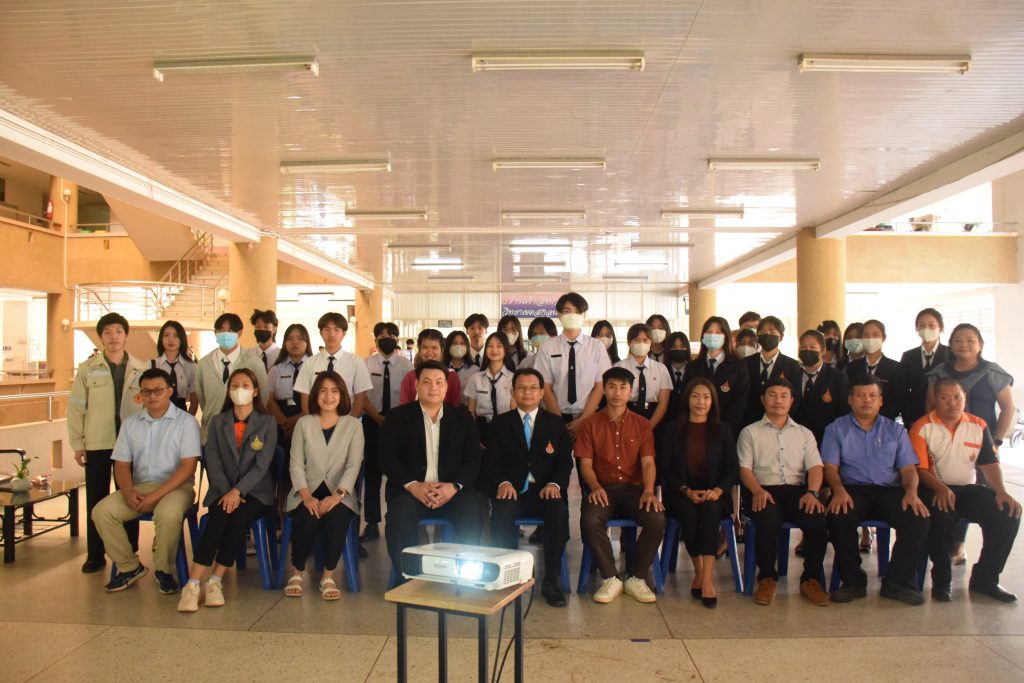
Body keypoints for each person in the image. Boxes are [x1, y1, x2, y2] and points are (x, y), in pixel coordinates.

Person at [822, 375, 930, 605]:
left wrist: (911, 492)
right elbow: (830, 467)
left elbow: (908, 468)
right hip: (852, 490)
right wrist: (838, 490)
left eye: (872, 396)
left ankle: (897, 583)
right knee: (838, 516)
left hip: (889, 491)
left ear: (881, 400)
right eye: (860, 396)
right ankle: (853, 582)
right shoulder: (836, 429)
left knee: (917, 518)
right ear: (850, 399)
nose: (867, 401)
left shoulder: (896, 430)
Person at [911, 377, 1020, 602]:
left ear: (965, 398)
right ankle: (942, 581)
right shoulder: (922, 427)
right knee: (942, 515)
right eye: (944, 398)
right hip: (933, 489)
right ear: (935, 400)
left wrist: (1001, 491)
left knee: (1007, 512)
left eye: (957, 397)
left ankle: (985, 579)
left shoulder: (978, 425)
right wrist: (940, 488)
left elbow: (989, 464)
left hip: (967, 490)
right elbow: (919, 469)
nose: (952, 403)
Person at [92, 368, 200, 594]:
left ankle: (164, 570)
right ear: (140, 394)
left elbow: (188, 466)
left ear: (170, 391)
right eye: (146, 391)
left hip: (177, 487)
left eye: (158, 390)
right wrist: (128, 491)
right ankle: (130, 567)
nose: (152, 396)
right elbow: (121, 465)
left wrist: (156, 496)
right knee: (102, 511)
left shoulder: (186, 422)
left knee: (167, 513)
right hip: (141, 487)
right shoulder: (131, 423)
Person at [178, 368, 276, 612]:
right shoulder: (217, 421)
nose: (240, 390)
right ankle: (192, 584)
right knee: (220, 515)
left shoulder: (267, 422)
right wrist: (227, 491)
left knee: (238, 516)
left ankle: (215, 580)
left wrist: (238, 491)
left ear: (255, 392)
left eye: (245, 385)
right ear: (229, 391)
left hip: (255, 492)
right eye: (234, 386)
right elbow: (212, 461)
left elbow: (262, 465)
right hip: (222, 490)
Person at [380, 360, 482, 578]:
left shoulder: (462, 417)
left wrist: (453, 487)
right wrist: (413, 486)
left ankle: (464, 576)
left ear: (446, 387)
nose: (433, 387)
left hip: (451, 493)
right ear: (416, 385)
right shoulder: (397, 417)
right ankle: (407, 577)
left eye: (439, 382)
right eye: (426, 382)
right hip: (410, 493)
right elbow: (387, 458)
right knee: (398, 517)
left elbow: (473, 459)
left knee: (472, 512)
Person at [926, 323, 1015, 564]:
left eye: (970, 340)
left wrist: (996, 440)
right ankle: (953, 545)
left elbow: (1008, 408)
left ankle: (978, 553)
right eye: (958, 340)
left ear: (980, 344)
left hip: (982, 445)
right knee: (952, 494)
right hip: (947, 445)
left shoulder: (992, 372)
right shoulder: (940, 372)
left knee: (987, 498)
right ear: (950, 345)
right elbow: (930, 408)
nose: (963, 344)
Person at [485, 368, 573, 607]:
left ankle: (551, 581)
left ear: (542, 393)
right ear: (513, 392)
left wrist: (554, 484)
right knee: (501, 513)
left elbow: (565, 462)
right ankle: (505, 578)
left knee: (557, 511)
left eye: (533, 388)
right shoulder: (500, 423)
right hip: (512, 490)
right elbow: (491, 461)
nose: (527, 392)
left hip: (544, 490)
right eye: (521, 388)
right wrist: (503, 482)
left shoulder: (556, 424)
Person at [576, 367, 665, 604]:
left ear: (631, 391)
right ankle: (610, 578)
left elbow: (648, 462)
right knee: (590, 519)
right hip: (602, 489)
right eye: (612, 387)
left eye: (623, 387)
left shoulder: (642, 424)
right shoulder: (590, 424)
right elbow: (585, 464)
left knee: (657, 519)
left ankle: (637, 577)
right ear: (604, 390)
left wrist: (649, 491)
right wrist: (595, 487)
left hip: (634, 490)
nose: (617, 393)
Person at [738, 378, 830, 606]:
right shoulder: (750, 432)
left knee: (817, 519)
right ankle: (767, 577)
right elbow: (744, 469)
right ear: (763, 399)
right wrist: (757, 490)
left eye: (783, 396)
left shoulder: (804, 433)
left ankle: (810, 579)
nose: (778, 400)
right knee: (768, 519)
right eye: (772, 395)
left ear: (791, 401)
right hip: (763, 490)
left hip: (798, 492)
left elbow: (815, 467)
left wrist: (812, 492)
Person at [68, 312, 147, 574]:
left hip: (130, 444)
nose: (114, 337)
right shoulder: (87, 368)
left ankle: (130, 551)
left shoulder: (140, 368)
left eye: (118, 332)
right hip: (98, 442)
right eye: (108, 332)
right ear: (101, 337)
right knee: (96, 499)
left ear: (126, 336)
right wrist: (77, 443)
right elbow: (76, 408)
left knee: (130, 496)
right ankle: (95, 554)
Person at [282, 371, 364, 600]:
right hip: (305, 490)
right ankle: (297, 572)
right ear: (315, 395)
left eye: (334, 391)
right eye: (323, 391)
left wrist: (337, 495)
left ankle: (328, 576)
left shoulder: (353, 425)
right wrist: (306, 496)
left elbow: (353, 465)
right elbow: (296, 464)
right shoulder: (304, 423)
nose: (329, 396)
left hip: (340, 492)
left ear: (342, 395)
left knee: (337, 517)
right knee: (305, 517)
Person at [659, 378, 738, 608]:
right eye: (695, 396)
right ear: (687, 400)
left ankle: (706, 580)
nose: (700, 402)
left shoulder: (722, 429)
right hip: (682, 491)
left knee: (710, 513)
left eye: (706, 397)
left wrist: (718, 490)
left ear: (712, 401)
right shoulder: (673, 428)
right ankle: (700, 572)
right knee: (689, 514)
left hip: (715, 492)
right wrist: (686, 491)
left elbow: (732, 467)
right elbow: (666, 467)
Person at [360, 322, 413, 542]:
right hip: (372, 422)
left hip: (399, 423)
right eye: (382, 336)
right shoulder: (365, 364)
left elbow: (409, 396)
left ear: (397, 340)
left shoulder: (406, 366)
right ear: (375, 340)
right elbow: (362, 396)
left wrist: (393, 420)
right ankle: (372, 523)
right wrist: (377, 417)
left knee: (399, 472)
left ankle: (398, 518)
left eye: (391, 336)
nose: (387, 339)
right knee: (372, 474)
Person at [535, 292, 612, 435]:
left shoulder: (596, 347)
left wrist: (584, 419)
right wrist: (558, 420)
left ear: (584, 315)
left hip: (588, 415)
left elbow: (600, 385)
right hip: (554, 416)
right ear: (558, 314)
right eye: (567, 311)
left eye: (577, 311)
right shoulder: (547, 347)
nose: (572, 315)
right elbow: (545, 386)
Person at [195, 312, 270, 443]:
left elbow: (262, 397)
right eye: (220, 330)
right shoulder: (204, 364)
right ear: (215, 333)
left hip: (246, 435)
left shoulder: (254, 362)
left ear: (239, 333)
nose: (225, 334)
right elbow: (202, 399)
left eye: (230, 331)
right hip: (211, 435)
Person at [293, 312, 372, 419]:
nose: (331, 334)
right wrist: (313, 424)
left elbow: (360, 398)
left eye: (336, 330)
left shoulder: (356, 362)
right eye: (327, 329)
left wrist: (349, 424)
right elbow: (305, 398)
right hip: (316, 422)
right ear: (321, 332)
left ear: (344, 333)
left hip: (346, 421)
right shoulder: (309, 363)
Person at [686, 316, 750, 438]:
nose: (713, 335)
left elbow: (740, 402)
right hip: (698, 429)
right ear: (703, 337)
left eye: (718, 332)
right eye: (709, 332)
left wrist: (723, 429)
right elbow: (687, 398)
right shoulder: (692, 367)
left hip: (728, 431)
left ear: (726, 336)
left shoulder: (738, 366)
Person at [793, 329, 851, 447]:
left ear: (823, 350)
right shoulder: (792, 374)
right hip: (795, 440)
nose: (807, 350)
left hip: (826, 440)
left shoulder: (838, 377)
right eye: (803, 347)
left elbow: (844, 412)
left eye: (812, 347)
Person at [741, 315, 802, 428]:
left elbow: (795, 397)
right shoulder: (746, 363)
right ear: (758, 336)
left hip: (779, 424)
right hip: (749, 423)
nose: (767, 335)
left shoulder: (792, 365)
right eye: (763, 332)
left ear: (781, 337)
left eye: (772, 332)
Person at [844, 319, 904, 422]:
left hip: (885, 423)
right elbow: (849, 397)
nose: (870, 339)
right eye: (866, 335)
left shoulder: (896, 368)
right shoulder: (852, 367)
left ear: (883, 338)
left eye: (875, 335)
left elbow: (897, 400)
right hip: (856, 422)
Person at [615, 323, 672, 430]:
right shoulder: (618, 367)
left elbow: (663, 402)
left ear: (651, 343)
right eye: (636, 340)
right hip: (624, 417)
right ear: (629, 342)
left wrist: (650, 426)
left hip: (654, 418)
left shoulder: (661, 369)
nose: (641, 343)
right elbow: (614, 398)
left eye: (645, 340)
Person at [900, 308, 949, 429]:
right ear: (917, 329)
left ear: (940, 328)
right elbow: (903, 391)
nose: (926, 329)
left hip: (944, 418)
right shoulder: (908, 356)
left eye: (931, 325)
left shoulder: (950, 354)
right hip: (915, 419)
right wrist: (909, 419)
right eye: (921, 325)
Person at [464, 332, 516, 443]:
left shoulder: (513, 379)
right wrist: (473, 436)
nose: (494, 350)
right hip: (482, 429)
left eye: (499, 346)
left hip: (506, 429)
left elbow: (514, 412)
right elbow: (471, 411)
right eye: (490, 346)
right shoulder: (475, 378)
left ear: (505, 349)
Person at [267, 323, 313, 446]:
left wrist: (296, 422)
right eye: (290, 339)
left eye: (300, 338)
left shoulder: (315, 366)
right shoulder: (276, 369)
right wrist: (284, 423)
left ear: (307, 342)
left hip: (309, 419)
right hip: (281, 420)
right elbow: (269, 399)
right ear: (284, 343)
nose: (295, 342)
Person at [400, 328, 462, 406]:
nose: (429, 351)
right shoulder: (410, 377)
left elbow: (455, 407)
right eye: (425, 347)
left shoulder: (451, 376)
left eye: (434, 348)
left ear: (441, 350)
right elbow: (404, 408)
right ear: (419, 349)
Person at [152, 320, 198, 414]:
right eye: (166, 335)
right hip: (157, 414)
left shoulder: (191, 367)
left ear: (182, 338)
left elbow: (194, 403)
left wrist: (187, 420)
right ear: (161, 338)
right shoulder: (153, 365)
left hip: (182, 413)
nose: (171, 339)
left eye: (176, 335)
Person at [663, 331, 692, 423]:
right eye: (674, 347)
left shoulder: (695, 370)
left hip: (689, 420)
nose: (678, 349)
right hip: (666, 422)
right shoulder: (662, 370)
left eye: (682, 346)